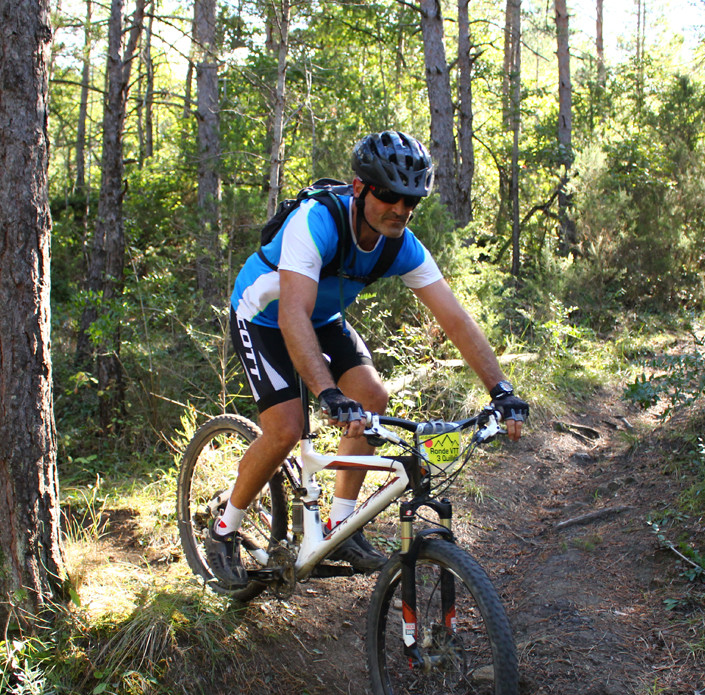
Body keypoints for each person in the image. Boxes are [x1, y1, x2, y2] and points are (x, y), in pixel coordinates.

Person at [208, 130, 529, 589]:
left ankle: (340, 529)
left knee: (372, 397)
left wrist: (502, 390)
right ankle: (224, 529)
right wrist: (326, 392)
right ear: (360, 187)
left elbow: (455, 319)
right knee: (287, 427)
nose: (400, 209)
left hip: (320, 314)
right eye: (389, 195)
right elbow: (292, 313)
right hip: (264, 313)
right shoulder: (315, 221)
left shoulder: (401, 244)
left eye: (410, 201)